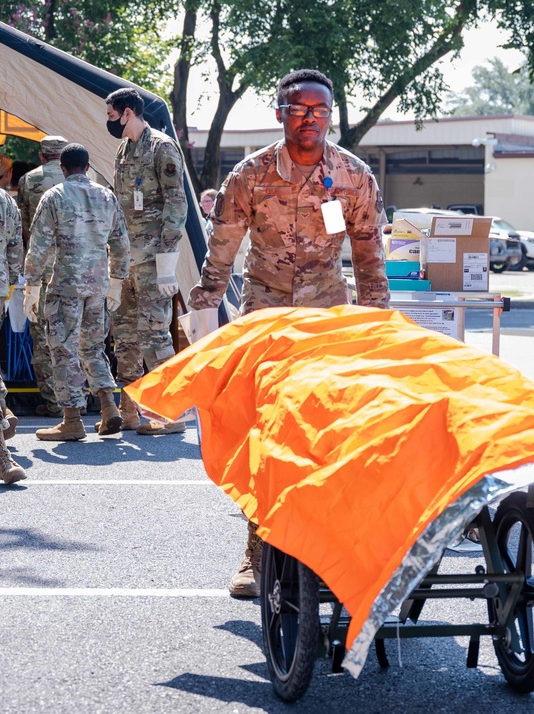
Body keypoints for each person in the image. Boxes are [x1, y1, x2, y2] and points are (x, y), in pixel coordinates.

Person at [188, 68, 390, 598]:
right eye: (298, 109)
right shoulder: (249, 176)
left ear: (330, 115)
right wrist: (205, 311)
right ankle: (258, 554)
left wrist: (377, 321)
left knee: (325, 429)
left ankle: (323, 548)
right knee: (266, 429)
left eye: (319, 110)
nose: (309, 119)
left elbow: (369, 255)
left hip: (327, 313)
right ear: (280, 114)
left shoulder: (352, 176)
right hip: (266, 312)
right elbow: (223, 251)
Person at [23, 144, 131, 441]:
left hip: (66, 285)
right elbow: (121, 243)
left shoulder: (55, 196)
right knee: (93, 347)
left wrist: (31, 286)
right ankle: (109, 408)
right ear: (87, 167)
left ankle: (72, 419)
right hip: (98, 286)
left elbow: (39, 245)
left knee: (63, 349)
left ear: (62, 168)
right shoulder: (106, 196)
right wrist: (117, 280)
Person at [105, 88, 188, 435]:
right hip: (127, 258)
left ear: (127, 113)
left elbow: (176, 202)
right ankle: (129, 411)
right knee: (125, 336)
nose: (107, 121)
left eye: (110, 115)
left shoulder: (162, 147)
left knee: (155, 335)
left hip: (154, 257)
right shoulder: (124, 149)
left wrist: (169, 257)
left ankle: (173, 413)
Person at [16, 135, 69, 418]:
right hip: (76, 267)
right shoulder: (83, 181)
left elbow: (27, 227)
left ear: (41, 156)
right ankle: (77, 400)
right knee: (74, 334)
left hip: (42, 265)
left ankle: (53, 401)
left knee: (43, 332)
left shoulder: (28, 181)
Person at [0, 171, 27, 484]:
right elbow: (16, 244)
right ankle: (3, 405)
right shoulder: (2, 197)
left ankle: (2, 457)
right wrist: (11, 281)